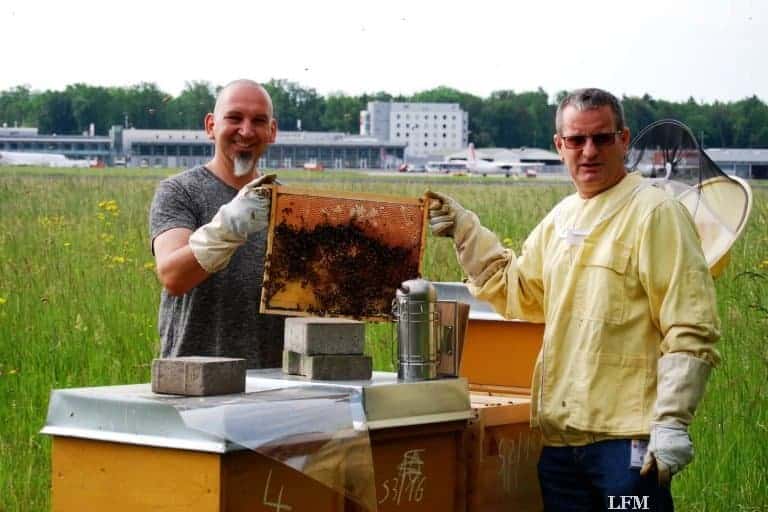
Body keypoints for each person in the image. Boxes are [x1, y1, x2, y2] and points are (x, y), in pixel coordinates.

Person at [427, 88, 720, 511]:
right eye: (576, 140)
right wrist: (465, 229)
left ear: (623, 140)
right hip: (562, 445)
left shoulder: (655, 213)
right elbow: (519, 291)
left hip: (626, 449)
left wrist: (672, 420)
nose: (589, 152)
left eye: (601, 138)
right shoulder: (563, 217)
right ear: (558, 145)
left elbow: (690, 326)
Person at [149, 79, 284, 368]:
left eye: (258, 121)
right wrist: (229, 226)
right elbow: (173, 277)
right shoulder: (179, 191)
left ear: (272, 131)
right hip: (194, 380)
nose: (246, 131)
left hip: (274, 384)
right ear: (211, 126)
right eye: (234, 118)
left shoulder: (288, 204)